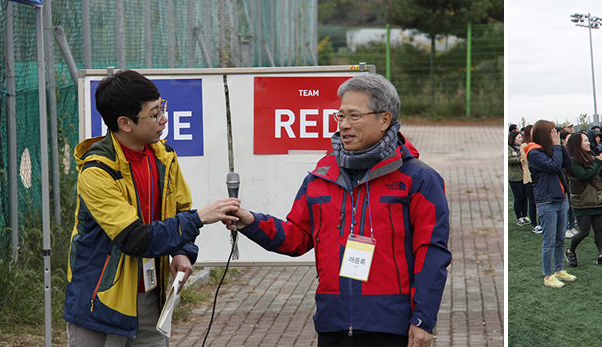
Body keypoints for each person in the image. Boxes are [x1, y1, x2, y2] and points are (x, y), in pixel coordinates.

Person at [226, 74, 450, 346]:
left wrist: (423, 319)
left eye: (354, 116)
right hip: (333, 325)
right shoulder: (320, 176)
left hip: (391, 327)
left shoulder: (419, 180)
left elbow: (431, 253)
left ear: (384, 120)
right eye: (340, 116)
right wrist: (250, 222)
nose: (344, 125)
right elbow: (297, 238)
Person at [65, 70, 241, 346]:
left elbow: (180, 210)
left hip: (150, 298)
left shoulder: (164, 156)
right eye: (155, 113)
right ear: (125, 123)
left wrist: (181, 252)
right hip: (99, 304)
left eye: (163, 108)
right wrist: (199, 218)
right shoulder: (97, 171)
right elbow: (134, 239)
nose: (164, 119)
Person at [525, 120, 577, 288]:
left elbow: (566, 163)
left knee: (560, 238)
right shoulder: (534, 152)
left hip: (560, 198)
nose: (555, 134)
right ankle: (548, 275)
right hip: (547, 200)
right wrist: (556, 146)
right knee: (549, 241)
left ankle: (559, 270)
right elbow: (554, 166)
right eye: (552, 131)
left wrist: (559, 145)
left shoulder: (550, 149)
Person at [564, 132, 602, 267]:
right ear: (576, 143)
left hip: (596, 198)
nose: (588, 143)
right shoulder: (572, 161)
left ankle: (601, 255)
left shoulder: (590, 156)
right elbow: (584, 175)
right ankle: (570, 250)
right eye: (585, 141)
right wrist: (598, 162)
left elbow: (598, 170)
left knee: (598, 228)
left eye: (588, 140)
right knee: (584, 231)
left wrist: (601, 163)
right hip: (582, 201)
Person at [508, 131, 531, 227]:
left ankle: (525, 215)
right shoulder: (508, 148)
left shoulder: (521, 147)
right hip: (515, 177)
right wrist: (520, 159)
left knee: (525, 197)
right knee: (518, 197)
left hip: (523, 176)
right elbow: (509, 160)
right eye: (519, 137)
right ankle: (519, 217)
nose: (521, 139)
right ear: (513, 139)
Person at [521, 125, 541, 233]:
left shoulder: (537, 145)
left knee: (540, 201)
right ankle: (534, 224)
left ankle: (541, 222)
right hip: (529, 178)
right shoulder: (524, 145)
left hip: (538, 177)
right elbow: (528, 159)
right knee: (532, 202)